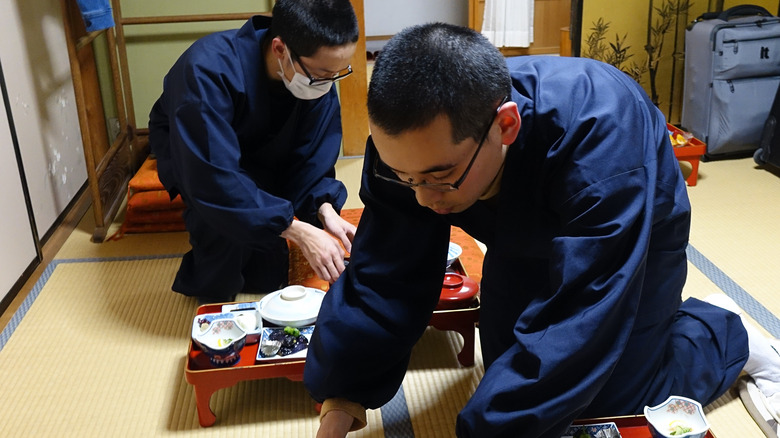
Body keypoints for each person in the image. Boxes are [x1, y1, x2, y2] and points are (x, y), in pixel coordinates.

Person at [304, 23, 780, 437]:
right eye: (407, 178)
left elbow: (588, 308)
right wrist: (343, 395)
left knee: (606, 404)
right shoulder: (413, 149)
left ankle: (721, 329)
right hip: (518, 228)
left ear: (505, 126)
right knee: (506, 372)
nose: (423, 198)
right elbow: (386, 268)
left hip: (633, 230)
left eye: (438, 177)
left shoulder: (602, 132)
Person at [148, 0, 359, 304]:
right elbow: (211, 175)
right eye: (323, 73)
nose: (329, 82)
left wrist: (323, 209)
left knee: (267, 277)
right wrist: (295, 229)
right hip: (198, 148)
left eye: (337, 73)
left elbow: (312, 155)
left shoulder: (317, 75)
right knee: (221, 256)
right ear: (279, 49)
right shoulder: (206, 69)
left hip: (267, 143)